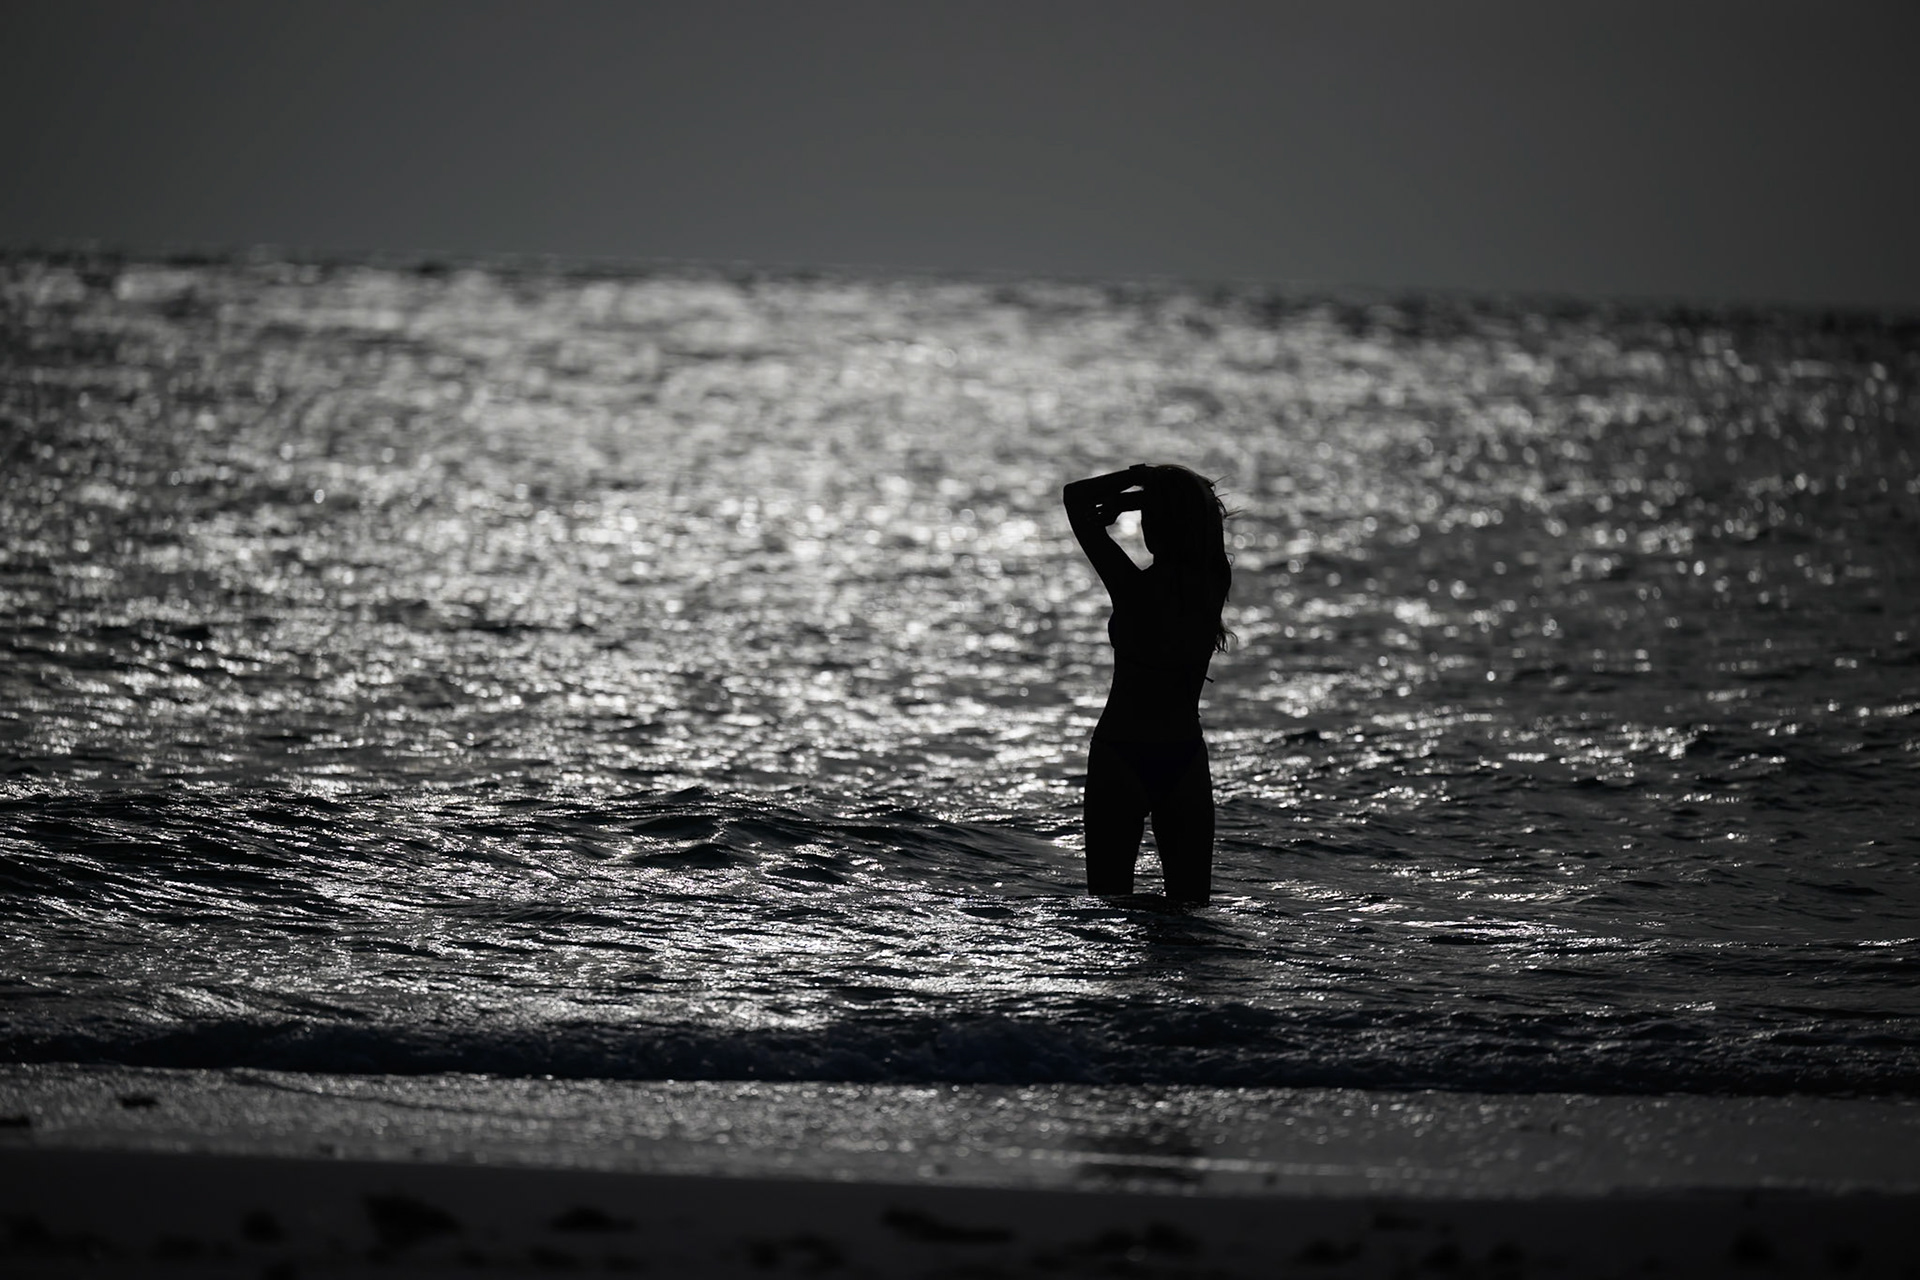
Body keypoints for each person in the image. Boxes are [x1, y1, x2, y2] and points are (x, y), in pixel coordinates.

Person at [1062, 463, 1231, 903]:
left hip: (1121, 752)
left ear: (1164, 524)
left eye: (1151, 518)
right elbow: (1202, 510)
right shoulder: (1212, 583)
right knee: (1189, 916)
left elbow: (1074, 498)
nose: (1144, 526)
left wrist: (1138, 480)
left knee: (1108, 909)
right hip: (1181, 754)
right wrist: (1151, 497)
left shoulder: (1131, 587)